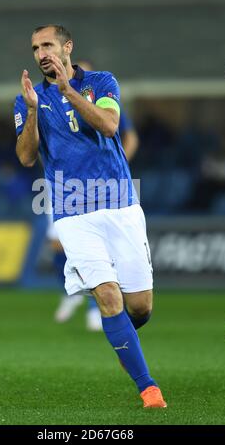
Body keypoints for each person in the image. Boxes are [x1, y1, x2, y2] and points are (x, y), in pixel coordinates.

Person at [14, 24, 167, 408]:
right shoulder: (28, 99)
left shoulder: (101, 82)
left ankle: (123, 340)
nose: (41, 52)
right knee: (108, 295)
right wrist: (32, 112)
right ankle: (148, 388)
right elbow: (26, 157)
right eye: (35, 48)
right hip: (72, 212)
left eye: (48, 44)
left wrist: (68, 90)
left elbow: (110, 124)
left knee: (140, 307)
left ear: (67, 47)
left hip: (120, 205)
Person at [54, 60, 139, 331]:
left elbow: (127, 134)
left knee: (104, 254)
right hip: (64, 187)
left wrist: (118, 160)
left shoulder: (101, 96)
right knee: (59, 246)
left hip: (104, 189)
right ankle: (75, 293)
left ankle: (95, 305)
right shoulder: (52, 99)